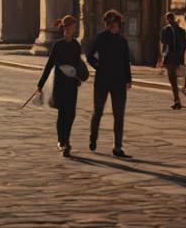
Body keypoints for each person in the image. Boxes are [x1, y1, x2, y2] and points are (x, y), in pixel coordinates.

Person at [36, 15, 88, 157]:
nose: (70, 28)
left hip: (72, 85)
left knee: (71, 114)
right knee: (63, 113)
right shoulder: (58, 45)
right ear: (64, 28)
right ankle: (62, 141)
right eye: (68, 26)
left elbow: (77, 64)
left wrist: (78, 78)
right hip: (60, 84)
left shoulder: (76, 45)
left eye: (72, 26)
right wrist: (40, 84)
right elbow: (50, 64)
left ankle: (66, 139)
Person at [86, 10, 132, 158]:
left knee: (119, 115)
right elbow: (89, 55)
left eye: (112, 23)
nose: (110, 25)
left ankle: (117, 147)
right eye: (108, 23)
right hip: (102, 81)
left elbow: (126, 62)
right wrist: (98, 67)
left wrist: (128, 79)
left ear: (117, 24)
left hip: (119, 82)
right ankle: (93, 137)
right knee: (98, 112)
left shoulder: (122, 41)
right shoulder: (100, 38)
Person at [157, 11, 186, 110]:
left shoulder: (165, 30)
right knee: (176, 77)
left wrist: (161, 58)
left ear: (167, 19)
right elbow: (184, 45)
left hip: (170, 57)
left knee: (172, 79)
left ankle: (177, 100)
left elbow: (163, 43)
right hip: (178, 57)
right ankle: (181, 91)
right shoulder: (181, 30)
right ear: (173, 18)